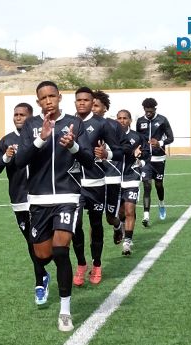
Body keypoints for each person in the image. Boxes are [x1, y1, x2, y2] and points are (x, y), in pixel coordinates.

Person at [14, 81, 95, 332]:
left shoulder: (75, 123)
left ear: (60, 97)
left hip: (67, 197)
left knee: (61, 251)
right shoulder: (31, 125)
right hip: (38, 200)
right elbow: (20, 161)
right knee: (43, 255)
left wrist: (73, 145)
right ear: (38, 102)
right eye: (43, 98)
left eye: (52, 96)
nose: (48, 101)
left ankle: (65, 310)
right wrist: (40, 139)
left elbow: (89, 159)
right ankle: (46, 277)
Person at [0, 102, 51, 306]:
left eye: (22, 114)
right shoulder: (7, 141)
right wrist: (6, 158)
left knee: (45, 245)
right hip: (19, 201)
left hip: (41, 198)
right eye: (15, 114)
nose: (18, 117)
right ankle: (42, 278)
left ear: (31, 117)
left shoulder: (41, 136)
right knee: (31, 243)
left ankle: (40, 281)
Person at [70, 87, 125, 286]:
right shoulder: (68, 123)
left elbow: (119, 152)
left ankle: (98, 264)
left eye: (87, 100)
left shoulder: (102, 124)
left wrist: (106, 154)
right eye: (79, 100)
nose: (82, 103)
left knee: (96, 224)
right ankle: (81, 264)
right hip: (73, 184)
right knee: (75, 226)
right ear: (75, 102)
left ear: (92, 102)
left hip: (96, 184)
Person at [91, 90, 128, 246]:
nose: (93, 108)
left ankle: (118, 226)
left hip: (112, 175)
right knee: (95, 218)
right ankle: (95, 259)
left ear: (105, 108)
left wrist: (108, 153)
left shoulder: (114, 125)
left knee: (110, 217)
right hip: (92, 177)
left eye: (96, 105)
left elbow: (125, 148)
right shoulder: (80, 124)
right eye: (91, 105)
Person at [135, 97, 174, 227]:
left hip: (159, 159)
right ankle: (146, 216)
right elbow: (138, 138)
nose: (148, 113)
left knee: (158, 185)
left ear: (154, 109)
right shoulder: (140, 122)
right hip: (145, 159)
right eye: (146, 111)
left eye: (150, 111)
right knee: (147, 185)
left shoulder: (162, 120)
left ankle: (161, 203)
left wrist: (160, 143)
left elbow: (171, 138)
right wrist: (138, 149)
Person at [116, 110, 150, 255]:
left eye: (125, 118)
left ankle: (127, 242)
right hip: (114, 178)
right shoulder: (110, 135)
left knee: (130, 210)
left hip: (132, 177)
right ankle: (120, 228)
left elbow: (147, 154)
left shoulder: (137, 137)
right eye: (119, 118)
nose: (122, 120)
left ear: (130, 120)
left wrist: (140, 161)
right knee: (120, 212)